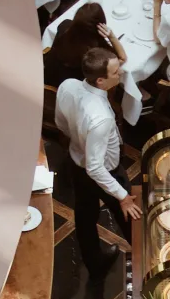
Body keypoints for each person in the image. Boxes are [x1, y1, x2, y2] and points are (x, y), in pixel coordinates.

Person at [55, 48, 142, 280]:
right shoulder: (101, 117)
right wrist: (121, 196)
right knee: (131, 218)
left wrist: (78, 140)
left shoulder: (67, 86)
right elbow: (95, 167)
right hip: (107, 171)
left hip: (76, 163)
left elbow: (60, 123)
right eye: (116, 72)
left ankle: (95, 262)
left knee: (84, 216)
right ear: (101, 80)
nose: (120, 73)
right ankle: (145, 261)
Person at [44, 2, 127, 87]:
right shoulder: (95, 52)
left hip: (48, 78)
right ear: (100, 26)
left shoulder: (64, 26)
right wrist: (111, 36)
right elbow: (122, 58)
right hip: (73, 90)